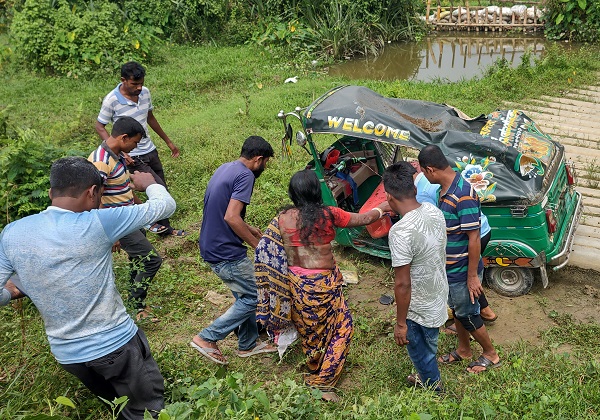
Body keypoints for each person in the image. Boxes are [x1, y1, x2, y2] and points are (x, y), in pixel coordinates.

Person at [0, 156, 176, 419]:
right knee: (147, 411)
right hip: (115, 345)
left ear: (51, 192)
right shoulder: (99, 222)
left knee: (119, 408)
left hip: (69, 357)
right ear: (93, 192)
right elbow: (165, 206)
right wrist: (149, 183)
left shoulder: (12, 232)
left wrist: (12, 292)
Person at [255, 169, 392, 402]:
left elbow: (263, 247)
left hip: (297, 285)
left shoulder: (282, 218)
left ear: (293, 193)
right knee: (343, 327)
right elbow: (365, 219)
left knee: (310, 328)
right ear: (316, 191)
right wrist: (384, 208)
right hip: (324, 284)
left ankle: (314, 365)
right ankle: (323, 382)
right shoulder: (328, 214)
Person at [191, 136, 277, 365]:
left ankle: (247, 344)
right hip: (225, 251)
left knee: (244, 294)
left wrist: (248, 227)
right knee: (256, 296)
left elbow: (222, 209)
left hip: (210, 243)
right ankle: (207, 337)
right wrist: (257, 245)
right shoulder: (246, 175)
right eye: (266, 162)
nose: (264, 167)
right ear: (258, 159)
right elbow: (231, 216)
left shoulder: (226, 168)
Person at [418, 145, 501, 374]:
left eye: (424, 173)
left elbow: (474, 237)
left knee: (468, 313)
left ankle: (490, 354)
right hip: (450, 267)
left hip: (463, 269)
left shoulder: (462, 194)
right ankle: (464, 350)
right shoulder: (443, 191)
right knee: (457, 310)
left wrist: (472, 276)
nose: (424, 177)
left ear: (431, 169)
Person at [95, 61, 185, 237]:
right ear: (123, 80)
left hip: (150, 150)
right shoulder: (111, 100)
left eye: (141, 83)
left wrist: (168, 141)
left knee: (161, 187)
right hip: (133, 156)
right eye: (134, 84)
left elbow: (150, 117)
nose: (139, 87)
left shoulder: (145, 93)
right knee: (156, 186)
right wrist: (120, 152)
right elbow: (99, 126)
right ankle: (163, 230)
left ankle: (159, 225)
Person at [89, 116, 163, 322]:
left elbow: (121, 187)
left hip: (130, 216)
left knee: (138, 261)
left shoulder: (117, 155)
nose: (136, 147)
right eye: (135, 142)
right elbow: (94, 198)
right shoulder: (100, 161)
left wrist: (141, 208)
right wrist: (110, 233)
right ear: (123, 137)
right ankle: (136, 305)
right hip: (117, 222)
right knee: (151, 260)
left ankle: (135, 306)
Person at [410, 161, 498, 332]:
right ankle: (484, 311)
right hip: (479, 230)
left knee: (467, 283)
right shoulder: (443, 183)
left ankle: (472, 322)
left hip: (472, 236)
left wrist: (471, 275)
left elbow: (468, 235)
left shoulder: (424, 192)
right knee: (468, 282)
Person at [383, 161, 448, 392]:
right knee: (430, 344)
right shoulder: (434, 211)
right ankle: (427, 375)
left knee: (422, 354)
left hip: (418, 309)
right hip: (438, 295)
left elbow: (402, 283)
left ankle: (434, 389)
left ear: (390, 197)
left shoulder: (400, 232)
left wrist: (401, 324)